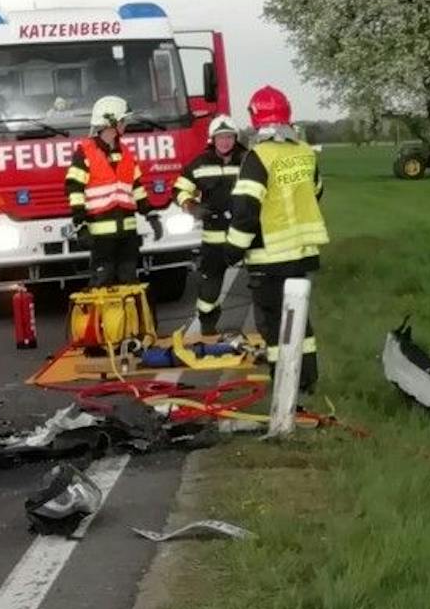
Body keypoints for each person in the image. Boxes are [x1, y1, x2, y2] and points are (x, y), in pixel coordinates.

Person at [227, 85, 328, 390]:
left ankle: (284, 385)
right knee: (300, 321)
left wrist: (232, 249)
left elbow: (246, 208)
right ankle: (308, 381)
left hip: (269, 255)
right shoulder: (304, 152)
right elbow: (317, 191)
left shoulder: (258, 157)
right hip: (302, 252)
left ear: (256, 118)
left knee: (273, 324)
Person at [64, 95, 163, 288]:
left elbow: (136, 188)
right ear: (111, 123)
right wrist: (80, 224)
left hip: (127, 234)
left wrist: (150, 214)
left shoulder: (126, 153)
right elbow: (74, 189)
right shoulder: (85, 153)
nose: (125, 125)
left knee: (129, 284)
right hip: (101, 238)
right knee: (102, 284)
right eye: (122, 121)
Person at [173, 114, 250, 334]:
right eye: (220, 137)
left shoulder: (248, 161)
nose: (225, 142)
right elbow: (179, 188)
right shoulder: (199, 164)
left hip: (245, 232)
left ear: (235, 138)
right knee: (210, 287)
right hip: (214, 236)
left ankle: (268, 324)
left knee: (261, 281)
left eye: (229, 137)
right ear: (212, 140)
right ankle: (208, 326)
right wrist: (190, 206)